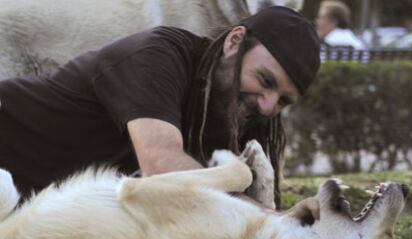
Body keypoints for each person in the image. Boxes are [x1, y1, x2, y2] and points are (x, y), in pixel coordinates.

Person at [0, 7, 320, 208]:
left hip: (33, 206)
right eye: (265, 80)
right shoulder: (159, 55)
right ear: (234, 41)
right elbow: (162, 165)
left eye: (283, 101)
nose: (268, 106)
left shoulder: (231, 111)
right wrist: (266, 218)